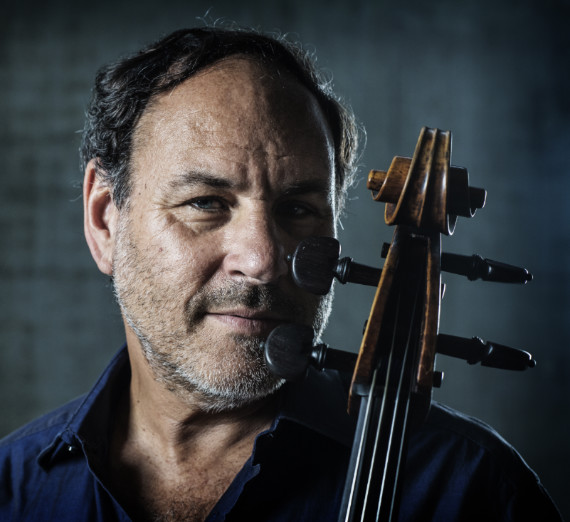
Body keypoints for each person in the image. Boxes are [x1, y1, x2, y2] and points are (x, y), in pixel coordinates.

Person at [0, 26, 562, 522]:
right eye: (205, 203)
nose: (263, 257)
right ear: (104, 220)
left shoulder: (474, 491)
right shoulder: (12, 490)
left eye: (298, 210)